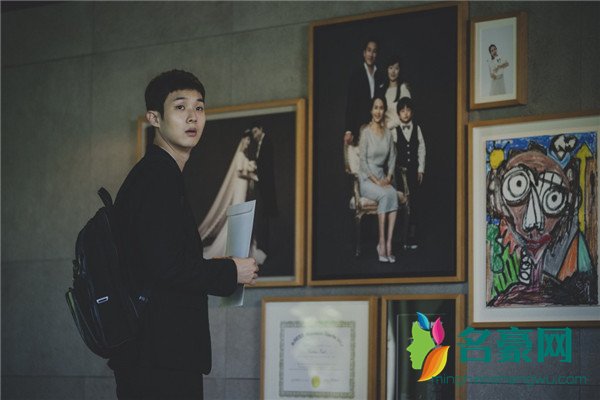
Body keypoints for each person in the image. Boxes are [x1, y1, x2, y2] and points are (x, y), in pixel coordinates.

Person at [109, 69, 259, 400]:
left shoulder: (159, 174)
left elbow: (163, 260)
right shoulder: (157, 177)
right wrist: (231, 271)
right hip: (158, 356)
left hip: (156, 352)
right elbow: (166, 266)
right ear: (154, 118)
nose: (193, 117)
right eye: (180, 107)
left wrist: (223, 268)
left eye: (199, 107)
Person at [198, 129, 266, 264]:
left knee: (242, 218)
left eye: (249, 140)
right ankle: (232, 249)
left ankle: (242, 249)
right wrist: (252, 176)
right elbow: (239, 173)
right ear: (243, 140)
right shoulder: (240, 155)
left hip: (243, 189)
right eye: (247, 139)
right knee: (238, 218)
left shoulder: (244, 155)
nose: (248, 142)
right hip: (239, 189)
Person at [358, 96, 398, 262]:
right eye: (375, 107)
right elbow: (362, 162)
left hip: (382, 176)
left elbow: (393, 157)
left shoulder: (388, 134)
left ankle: (389, 244)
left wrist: (388, 176)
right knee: (384, 194)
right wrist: (376, 181)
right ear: (371, 110)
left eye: (381, 108)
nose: (378, 111)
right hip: (367, 179)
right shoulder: (366, 133)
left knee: (393, 194)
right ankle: (381, 243)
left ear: (384, 110)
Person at [394, 97, 426, 250]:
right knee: (402, 202)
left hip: (413, 172)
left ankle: (412, 235)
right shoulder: (394, 130)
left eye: (408, 110)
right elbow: (391, 152)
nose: (405, 113)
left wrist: (421, 169)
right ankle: (401, 235)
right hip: (399, 173)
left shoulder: (417, 128)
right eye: (402, 111)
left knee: (414, 202)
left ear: (412, 112)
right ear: (398, 113)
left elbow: (422, 149)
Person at [344, 38, 384, 146]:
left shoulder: (381, 75)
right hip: (358, 128)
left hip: (377, 127)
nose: (371, 54)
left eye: (374, 51)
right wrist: (348, 130)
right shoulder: (356, 74)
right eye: (369, 50)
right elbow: (351, 104)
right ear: (364, 53)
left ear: (377, 55)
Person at [247, 122, 277, 254]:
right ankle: (263, 247)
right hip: (262, 187)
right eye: (253, 133)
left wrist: (255, 168)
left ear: (261, 129)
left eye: (255, 132)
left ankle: (266, 249)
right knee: (262, 218)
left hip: (266, 188)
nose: (254, 136)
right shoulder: (260, 143)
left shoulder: (267, 142)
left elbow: (266, 165)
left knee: (266, 218)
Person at [376, 55, 411, 137]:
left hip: (401, 133)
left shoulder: (403, 88)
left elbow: (407, 114)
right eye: (390, 68)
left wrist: (388, 125)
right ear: (387, 69)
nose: (393, 72)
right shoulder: (381, 88)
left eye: (396, 68)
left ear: (400, 71)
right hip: (384, 134)